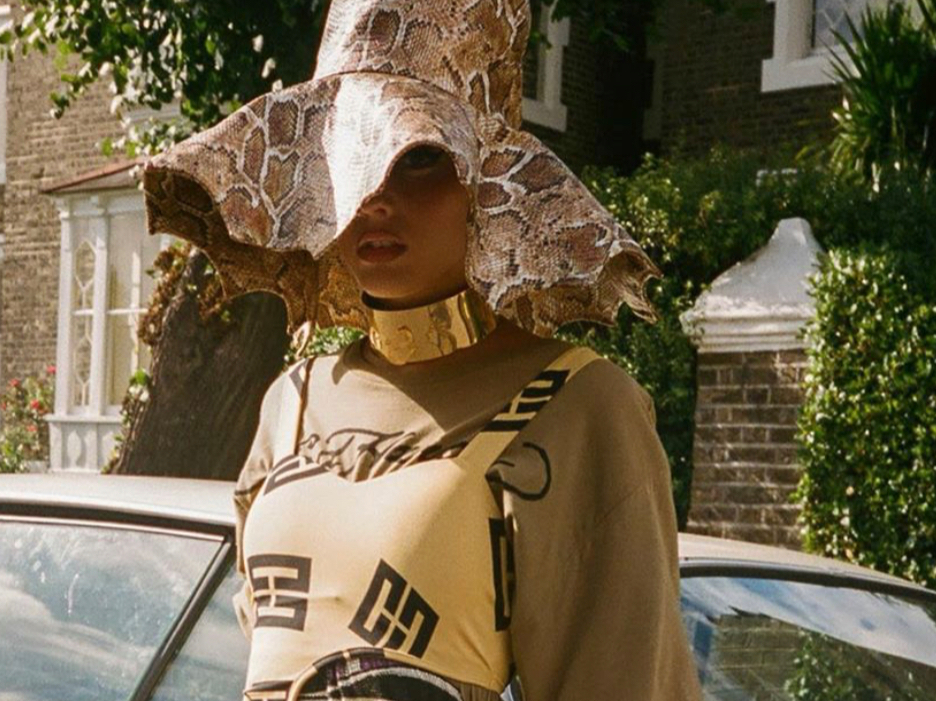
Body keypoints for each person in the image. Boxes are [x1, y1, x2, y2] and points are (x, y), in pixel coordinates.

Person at [141, 1, 703, 699]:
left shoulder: (582, 406)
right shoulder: (291, 403)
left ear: (485, 180)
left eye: (417, 159)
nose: (375, 196)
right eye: (354, 150)